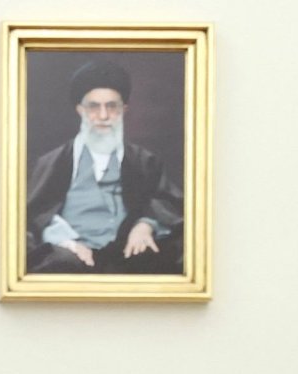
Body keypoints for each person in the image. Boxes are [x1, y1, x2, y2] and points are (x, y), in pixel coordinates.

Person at [24, 59, 185, 275]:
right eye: (93, 107)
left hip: (128, 252)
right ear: (80, 110)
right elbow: (34, 214)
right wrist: (67, 242)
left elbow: (168, 204)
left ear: (124, 110)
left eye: (112, 106)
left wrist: (146, 224)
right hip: (71, 254)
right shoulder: (53, 161)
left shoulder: (144, 161)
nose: (103, 116)